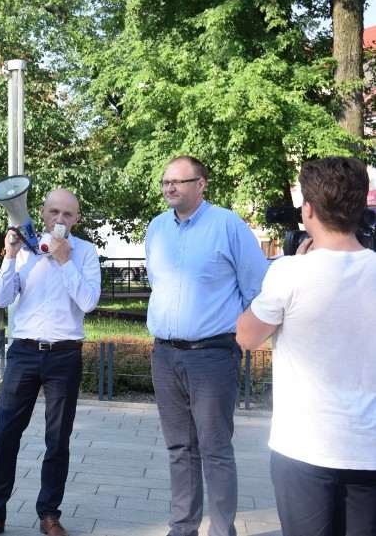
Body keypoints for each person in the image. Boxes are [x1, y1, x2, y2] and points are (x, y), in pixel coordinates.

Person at [236, 157, 376, 536]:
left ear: (308, 210)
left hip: (304, 445)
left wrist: (290, 267)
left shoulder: (289, 272)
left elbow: (246, 336)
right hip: (368, 447)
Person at [0, 188, 102, 536]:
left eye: (68, 214)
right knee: (6, 435)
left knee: (57, 439)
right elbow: (0, 297)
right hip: (24, 352)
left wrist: (65, 260)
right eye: (54, 211)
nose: (60, 219)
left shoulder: (85, 253)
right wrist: (10, 257)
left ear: (77, 219)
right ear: (41, 212)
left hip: (65, 354)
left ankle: (49, 514)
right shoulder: (24, 248)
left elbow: (88, 302)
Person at [145, 156, 268, 536]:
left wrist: (244, 339)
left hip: (213, 356)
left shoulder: (228, 225)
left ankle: (222, 530)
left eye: (179, 182)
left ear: (201, 185)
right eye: (166, 181)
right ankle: (182, 527)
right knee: (179, 448)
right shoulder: (156, 228)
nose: (169, 188)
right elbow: (157, 285)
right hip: (165, 354)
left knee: (215, 450)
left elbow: (257, 289)